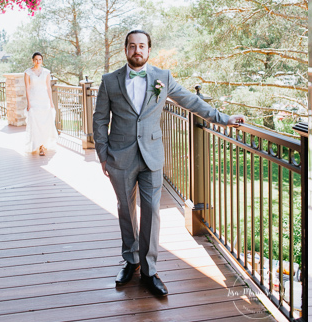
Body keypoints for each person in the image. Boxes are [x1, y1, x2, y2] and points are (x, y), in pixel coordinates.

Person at [93, 30, 245, 298]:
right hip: (120, 157)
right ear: (125, 50)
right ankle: (131, 260)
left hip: (151, 155)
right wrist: (103, 155)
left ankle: (150, 270)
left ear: (149, 50)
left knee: (152, 211)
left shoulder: (163, 78)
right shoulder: (109, 81)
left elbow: (191, 101)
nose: (137, 50)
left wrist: (224, 118)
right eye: (132, 46)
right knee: (126, 210)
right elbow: (100, 119)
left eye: (142, 46)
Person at [24, 51, 57, 156]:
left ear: (42, 60)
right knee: (35, 123)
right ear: (33, 60)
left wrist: (51, 102)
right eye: (36, 59)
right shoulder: (28, 72)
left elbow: (48, 87)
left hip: (44, 100)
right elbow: (27, 88)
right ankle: (37, 145)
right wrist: (28, 103)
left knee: (45, 123)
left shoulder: (46, 72)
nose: (38, 61)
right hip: (34, 100)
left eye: (40, 59)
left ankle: (43, 145)